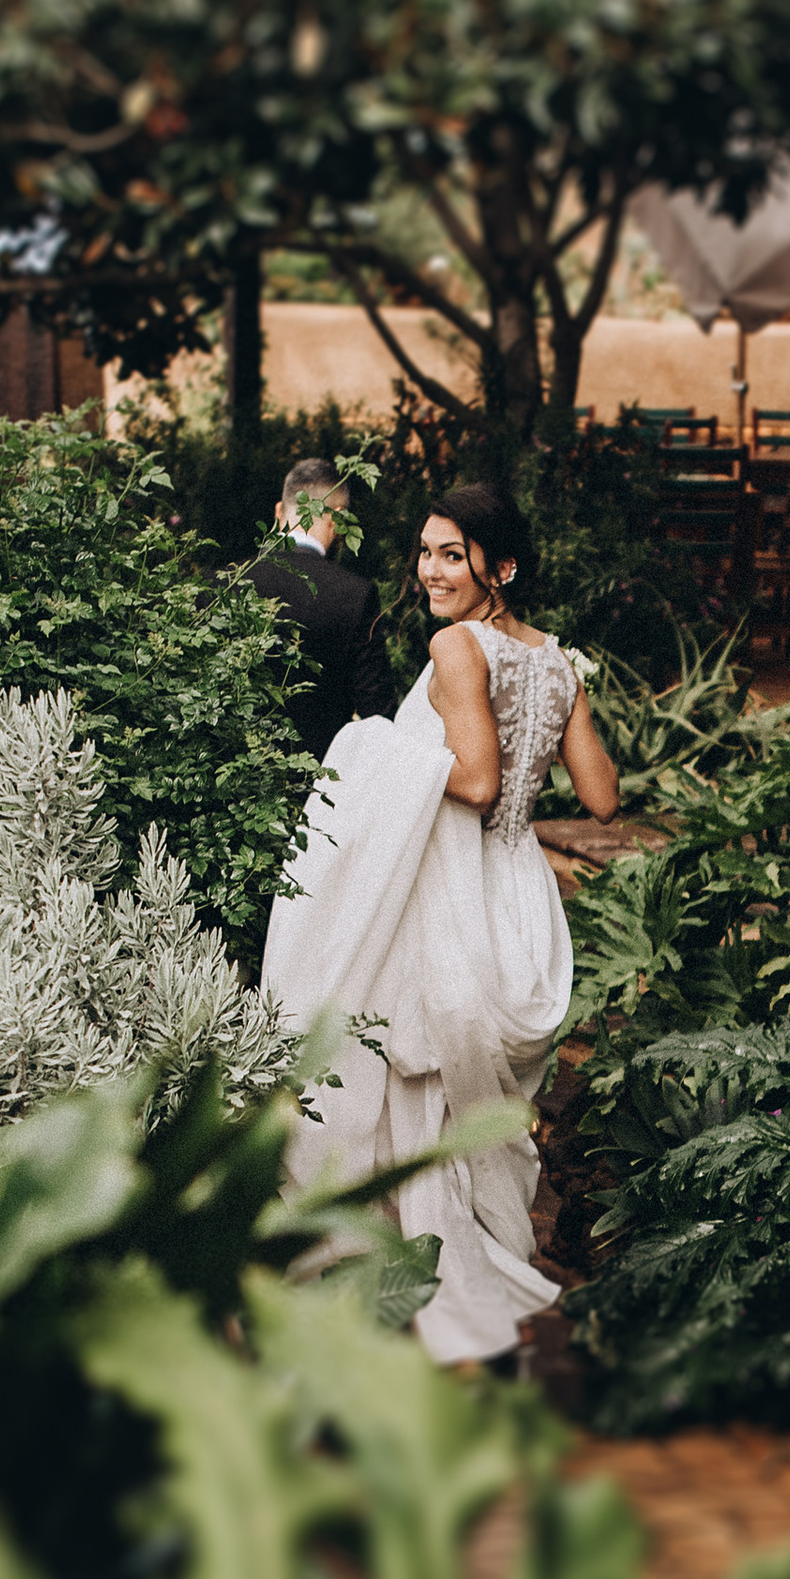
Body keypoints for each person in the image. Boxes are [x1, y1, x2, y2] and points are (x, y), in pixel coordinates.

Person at [261, 480, 620, 1366]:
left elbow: (477, 782)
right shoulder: (555, 662)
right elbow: (604, 799)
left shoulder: (457, 646)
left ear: (501, 567)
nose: (430, 569)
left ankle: (419, 1266)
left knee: (408, 1076)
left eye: (451, 554)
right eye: (424, 550)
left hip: (452, 887)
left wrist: (367, 744)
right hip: (518, 898)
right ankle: (458, 1251)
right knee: (438, 1084)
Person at [251, 455, 387, 745]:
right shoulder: (356, 595)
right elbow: (376, 713)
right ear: (337, 517)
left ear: (279, 511)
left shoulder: (223, 582)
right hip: (318, 779)